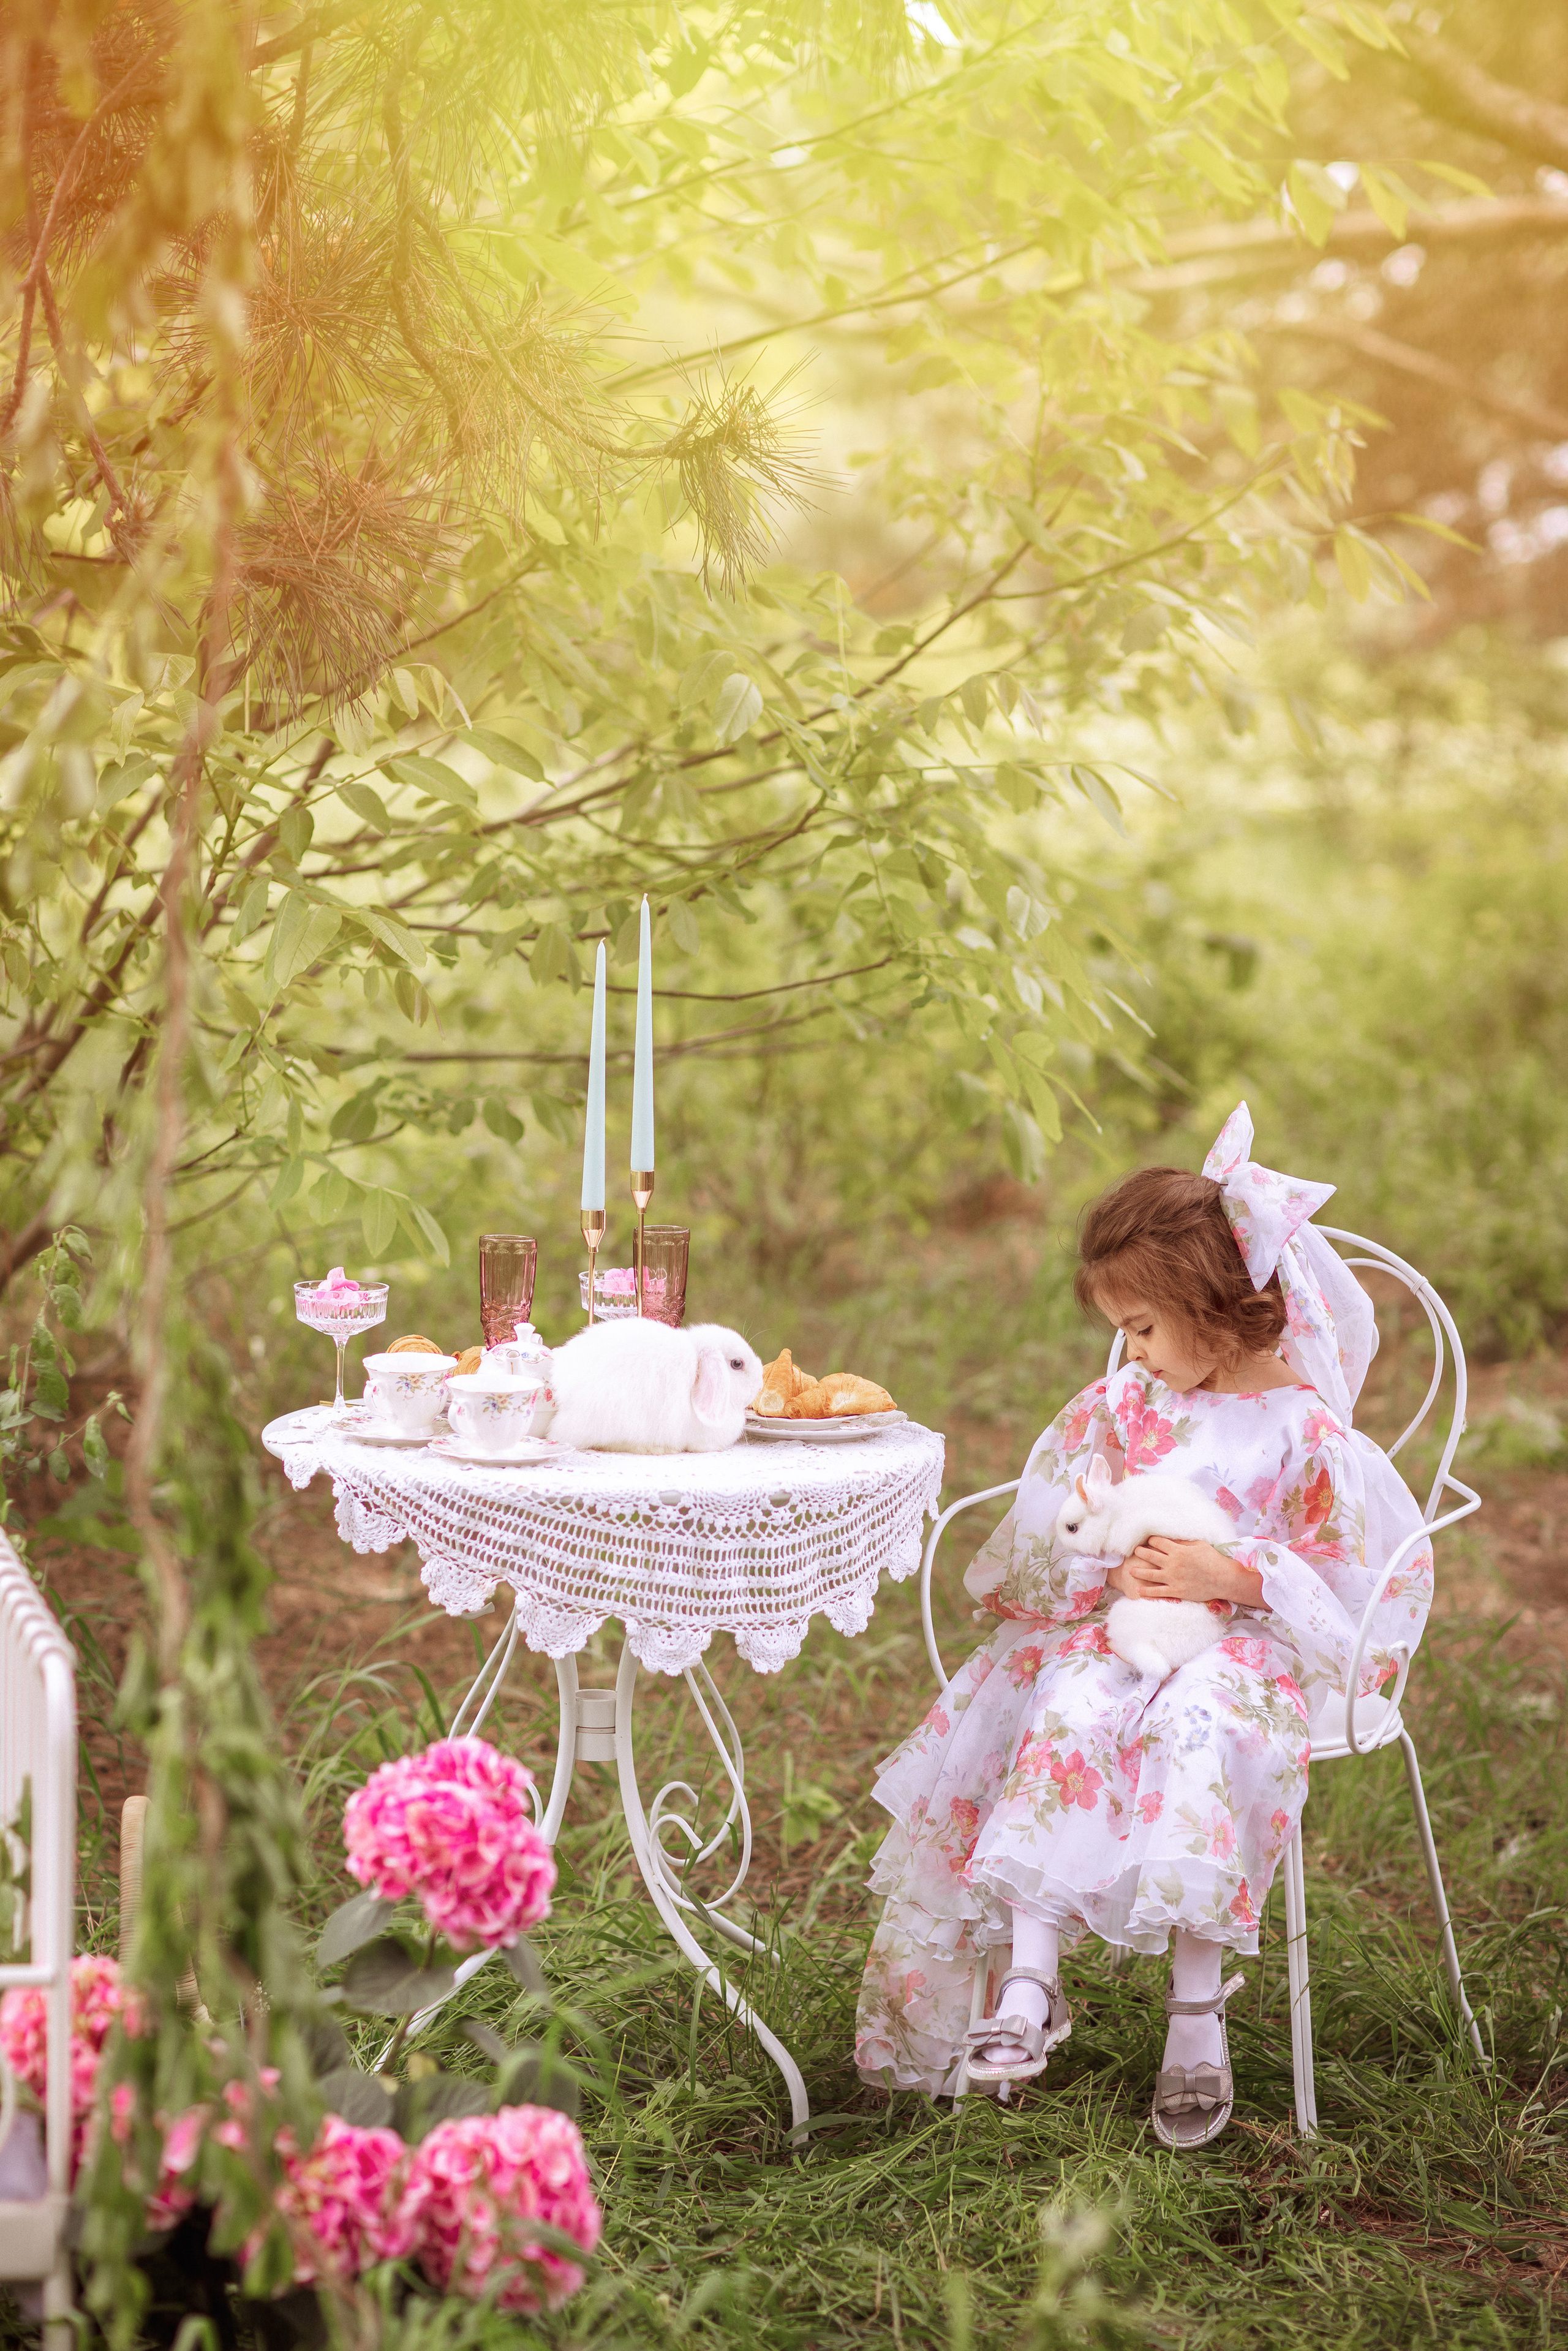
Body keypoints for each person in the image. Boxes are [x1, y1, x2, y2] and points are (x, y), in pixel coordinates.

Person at [854, 1104, 1433, 2146]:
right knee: (1071, 1699)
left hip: (1245, 1646)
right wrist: (1106, 1555)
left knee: (1203, 1722)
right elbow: (1061, 1520)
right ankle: (1029, 1974)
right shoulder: (1127, 1407)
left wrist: (1232, 1569)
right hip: (1122, 1630)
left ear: (1220, 1306)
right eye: (1121, 1328)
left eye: (1145, 1326)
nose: (1132, 1349)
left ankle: (1196, 2012)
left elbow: (1345, 1577)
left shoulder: (1301, 1424)